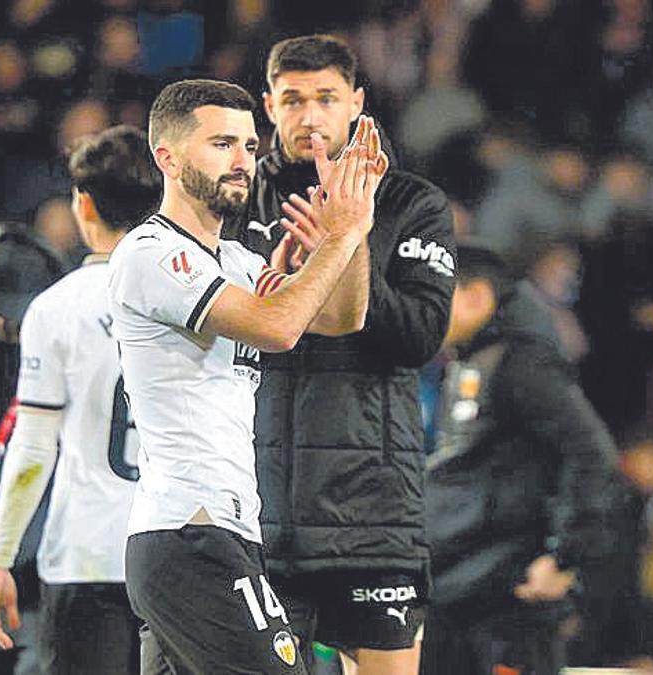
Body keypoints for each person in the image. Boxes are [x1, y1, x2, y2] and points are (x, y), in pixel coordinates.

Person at [108, 78, 385, 674]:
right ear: (169, 158)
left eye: (250, 147)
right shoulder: (151, 252)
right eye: (222, 144)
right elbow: (281, 326)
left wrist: (355, 233)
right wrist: (337, 238)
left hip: (221, 531)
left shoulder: (236, 261)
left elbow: (342, 316)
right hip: (190, 532)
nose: (243, 162)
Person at [232, 34, 455, 675]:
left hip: (371, 508)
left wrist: (344, 243)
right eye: (294, 99)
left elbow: (418, 337)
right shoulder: (237, 203)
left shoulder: (412, 204)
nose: (310, 116)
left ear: (356, 102)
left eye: (326, 97)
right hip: (258, 510)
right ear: (269, 105)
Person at [0, 124, 162, 674]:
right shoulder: (204, 297)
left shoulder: (57, 309)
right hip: (175, 558)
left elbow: (33, 449)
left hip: (87, 554)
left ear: (83, 205)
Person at [421, 245, 617, 675]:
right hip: (456, 590)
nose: (424, 308)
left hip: (507, 600)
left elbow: (591, 450)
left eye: (436, 293)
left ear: (475, 296)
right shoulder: (470, 360)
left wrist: (566, 556)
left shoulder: (524, 363)